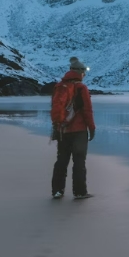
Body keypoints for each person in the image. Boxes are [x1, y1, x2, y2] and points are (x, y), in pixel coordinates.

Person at [51, 56, 96, 199]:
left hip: (62, 129)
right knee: (79, 162)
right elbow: (87, 111)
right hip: (78, 131)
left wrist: (56, 127)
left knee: (61, 161)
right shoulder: (81, 88)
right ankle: (79, 192)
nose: (84, 75)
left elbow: (55, 108)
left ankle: (57, 191)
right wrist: (92, 128)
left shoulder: (59, 87)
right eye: (84, 72)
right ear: (80, 72)